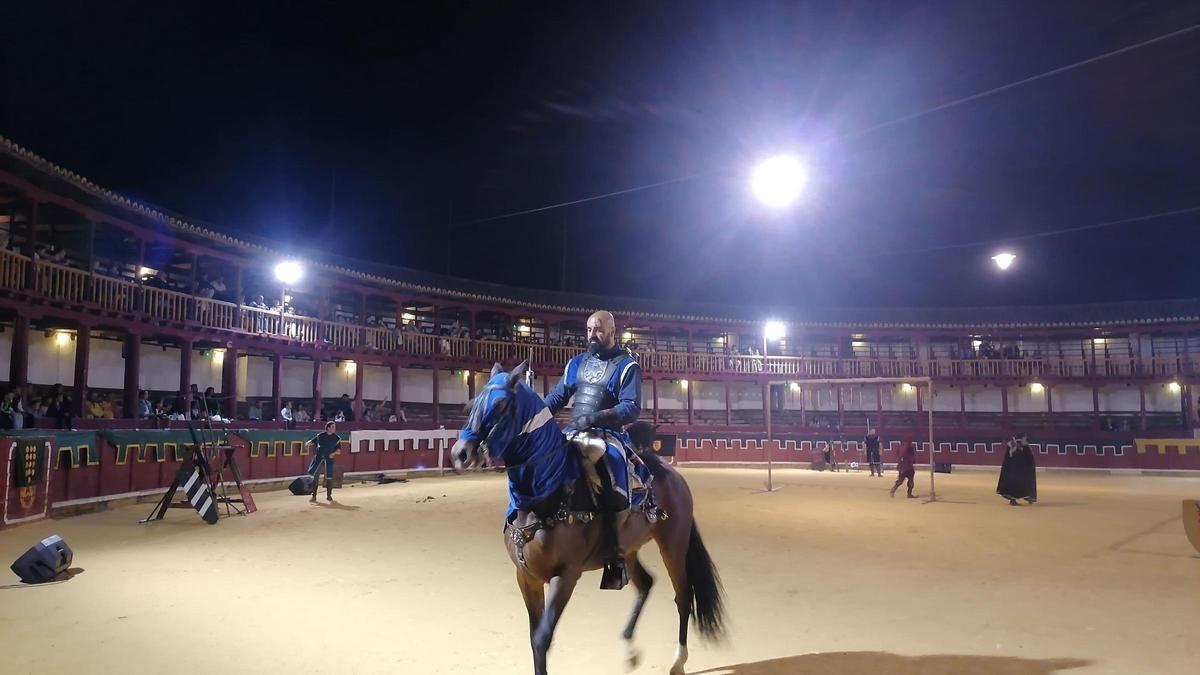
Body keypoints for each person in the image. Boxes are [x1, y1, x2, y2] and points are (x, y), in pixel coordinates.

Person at [544, 310, 642, 590]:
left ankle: (616, 555)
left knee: (611, 474)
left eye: (597, 329)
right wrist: (536, 415)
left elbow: (631, 407)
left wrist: (598, 417)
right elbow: (558, 396)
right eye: (588, 329)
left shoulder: (627, 366)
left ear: (612, 331)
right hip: (573, 431)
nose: (591, 335)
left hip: (607, 434)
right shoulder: (576, 363)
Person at [997, 433, 1038, 506]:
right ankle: (1024, 498)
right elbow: (1029, 458)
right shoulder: (1023, 446)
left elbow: (1008, 459)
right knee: (1022, 483)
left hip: (1013, 469)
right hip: (1020, 470)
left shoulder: (1013, 445)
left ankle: (1023, 498)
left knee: (1018, 483)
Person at [304, 421, 340, 502]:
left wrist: (333, 453)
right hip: (319, 458)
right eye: (333, 427)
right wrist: (307, 444)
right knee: (316, 477)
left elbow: (339, 450)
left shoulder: (336, 438)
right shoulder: (320, 436)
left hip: (329, 459)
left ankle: (329, 495)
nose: (335, 428)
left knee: (329, 477)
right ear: (328, 428)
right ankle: (314, 496)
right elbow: (312, 442)